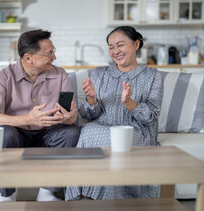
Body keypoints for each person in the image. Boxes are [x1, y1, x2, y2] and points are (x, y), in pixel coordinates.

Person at [65, 26, 163, 201]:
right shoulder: (98, 74)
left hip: (137, 132)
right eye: (111, 47)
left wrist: (130, 103)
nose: (115, 51)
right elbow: (88, 115)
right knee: (88, 130)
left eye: (120, 45)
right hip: (101, 127)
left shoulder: (152, 76)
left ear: (136, 44)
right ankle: (81, 194)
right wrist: (91, 99)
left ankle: (91, 196)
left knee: (109, 136)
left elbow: (151, 117)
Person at [0, 29, 80, 202]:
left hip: (49, 132)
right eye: (49, 54)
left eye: (54, 52)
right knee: (3, 133)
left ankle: (46, 193)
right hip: (16, 133)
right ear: (29, 58)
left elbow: (73, 116)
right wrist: (27, 119)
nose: (54, 58)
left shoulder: (60, 75)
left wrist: (68, 117)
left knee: (71, 131)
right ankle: (7, 196)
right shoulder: (3, 78)